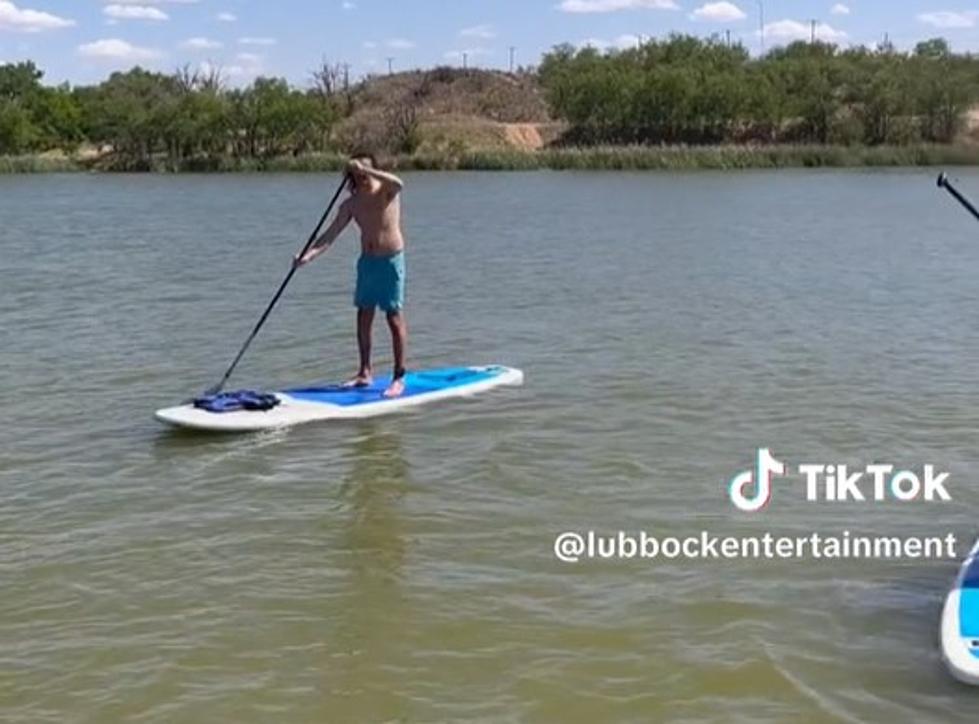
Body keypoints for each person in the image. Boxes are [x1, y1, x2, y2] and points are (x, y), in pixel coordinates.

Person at [295, 154, 408, 398]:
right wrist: (308, 255)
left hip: (390, 260)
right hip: (367, 263)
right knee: (363, 315)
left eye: (366, 171)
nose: (363, 176)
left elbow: (399, 183)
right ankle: (364, 372)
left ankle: (399, 377)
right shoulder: (351, 204)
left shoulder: (387, 191)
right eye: (357, 173)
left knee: (393, 317)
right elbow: (329, 235)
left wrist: (368, 169)